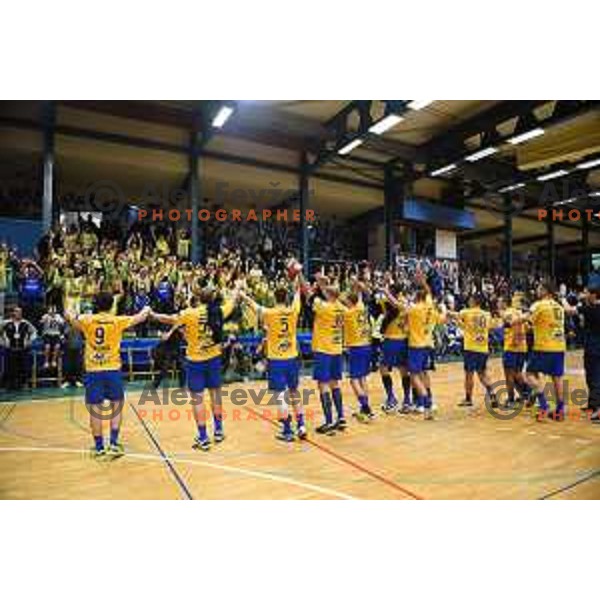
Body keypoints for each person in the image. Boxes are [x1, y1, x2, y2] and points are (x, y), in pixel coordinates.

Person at [65, 292, 150, 458]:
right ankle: (113, 444)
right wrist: (146, 308)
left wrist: (70, 305)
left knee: (95, 411)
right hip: (112, 369)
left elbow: (69, 317)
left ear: (96, 304)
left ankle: (99, 448)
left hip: (93, 370)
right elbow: (140, 317)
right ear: (111, 305)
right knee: (116, 407)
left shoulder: (87, 319)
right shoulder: (117, 320)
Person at [151, 288, 238, 451]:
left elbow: (169, 319)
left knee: (197, 400)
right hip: (213, 359)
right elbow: (231, 304)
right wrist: (237, 290)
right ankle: (218, 431)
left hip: (196, 361)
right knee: (215, 396)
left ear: (197, 298)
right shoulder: (217, 311)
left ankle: (203, 437)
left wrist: (153, 315)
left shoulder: (189, 313)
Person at [240, 279, 306, 441]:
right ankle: (302, 425)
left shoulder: (269, 312)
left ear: (275, 298)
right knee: (294, 392)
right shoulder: (293, 310)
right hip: (292, 357)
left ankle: (287, 431)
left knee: (281, 396)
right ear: (286, 298)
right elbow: (298, 295)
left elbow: (253, 305)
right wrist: (297, 283)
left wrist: (242, 294)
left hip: (277, 359)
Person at [309, 274, 347, 435]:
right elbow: (329, 293)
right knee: (335, 384)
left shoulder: (324, 307)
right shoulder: (341, 307)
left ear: (329, 295)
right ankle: (341, 417)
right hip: (336, 350)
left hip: (324, 349)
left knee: (323, 384)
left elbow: (309, 295)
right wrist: (323, 284)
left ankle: (329, 421)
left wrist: (302, 276)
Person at [525, 282, 567, 420]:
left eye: (539, 288)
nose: (537, 291)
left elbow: (526, 319)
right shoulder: (559, 306)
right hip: (559, 346)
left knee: (529, 374)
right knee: (557, 377)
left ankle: (543, 404)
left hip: (543, 346)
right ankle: (560, 410)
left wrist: (513, 319)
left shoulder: (539, 305)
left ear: (545, 291)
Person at [562, 273, 600, 423]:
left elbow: (569, 310)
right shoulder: (590, 307)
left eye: (587, 293)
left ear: (594, 295)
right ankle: (592, 404)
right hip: (591, 347)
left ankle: (598, 409)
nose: (584, 295)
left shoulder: (592, 309)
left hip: (594, 348)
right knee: (590, 376)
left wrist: (563, 299)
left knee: (596, 378)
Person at [451, 293, 499, 409]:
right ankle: (492, 394)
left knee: (469, 374)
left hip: (471, 347)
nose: (469, 301)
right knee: (482, 373)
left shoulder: (467, 312)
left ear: (474, 301)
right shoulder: (486, 314)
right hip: (483, 347)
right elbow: (490, 327)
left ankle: (468, 399)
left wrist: (451, 315)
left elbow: (456, 315)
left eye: (470, 299)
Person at [342, 285, 375, 422]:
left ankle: (366, 407)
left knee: (354, 380)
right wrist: (357, 285)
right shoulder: (361, 308)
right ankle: (364, 409)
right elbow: (358, 296)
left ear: (350, 301)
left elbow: (339, 304)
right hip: (366, 345)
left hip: (356, 348)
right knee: (362, 378)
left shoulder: (348, 314)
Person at [379, 283, 411, 413]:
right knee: (403, 370)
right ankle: (407, 400)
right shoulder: (405, 302)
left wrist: (385, 292)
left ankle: (391, 398)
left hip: (391, 340)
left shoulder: (390, 302)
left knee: (383, 368)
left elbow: (383, 300)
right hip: (403, 339)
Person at [498, 295, 530, 408]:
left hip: (512, 347)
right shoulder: (518, 312)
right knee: (517, 373)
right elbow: (526, 327)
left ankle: (511, 399)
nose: (498, 304)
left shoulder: (508, 313)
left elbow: (515, 324)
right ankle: (528, 394)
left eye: (499, 302)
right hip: (522, 347)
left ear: (505, 303)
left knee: (509, 375)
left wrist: (516, 339)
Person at [0, 306, 37, 390]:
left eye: (20, 312)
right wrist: (3, 342)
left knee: (23, 367)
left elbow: (34, 332)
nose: (19, 313)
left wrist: (29, 341)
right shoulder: (6, 323)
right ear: (13, 313)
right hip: (10, 349)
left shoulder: (26, 323)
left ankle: (23, 384)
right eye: (17, 312)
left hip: (22, 349)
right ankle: (8, 385)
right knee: (9, 368)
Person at [40, 305, 65, 371]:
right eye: (51, 310)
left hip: (56, 334)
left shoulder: (58, 316)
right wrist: (46, 319)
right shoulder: (45, 316)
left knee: (57, 346)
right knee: (47, 347)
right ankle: (46, 361)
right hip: (47, 334)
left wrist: (57, 320)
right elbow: (41, 322)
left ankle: (54, 361)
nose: (52, 312)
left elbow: (62, 323)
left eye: (54, 310)